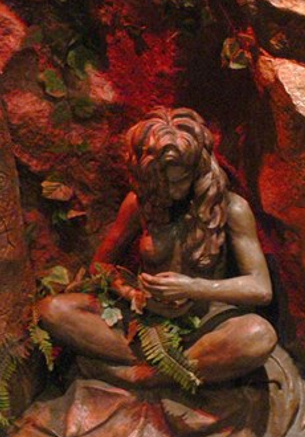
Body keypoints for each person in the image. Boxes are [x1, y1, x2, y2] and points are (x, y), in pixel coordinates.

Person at [37, 106, 277, 388]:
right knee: (52, 310)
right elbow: (100, 267)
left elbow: (260, 288)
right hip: (145, 324)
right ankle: (166, 366)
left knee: (258, 335)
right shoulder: (138, 203)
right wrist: (132, 294)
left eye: (180, 180)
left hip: (207, 324)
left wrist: (193, 287)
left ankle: (145, 376)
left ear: (198, 168)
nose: (172, 190)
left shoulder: (231, 208)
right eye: (162, 181)